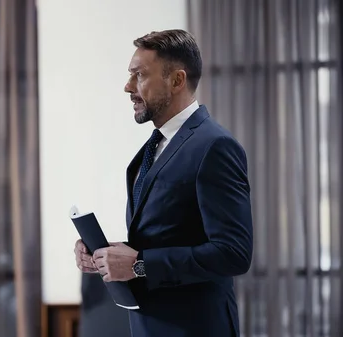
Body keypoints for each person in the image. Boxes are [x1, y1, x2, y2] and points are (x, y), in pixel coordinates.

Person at [73, 29, 253, 337]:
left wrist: (139, 264)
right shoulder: (151, 149)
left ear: (177, 80)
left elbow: (233, 253)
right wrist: (106, 253)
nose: (128, 87)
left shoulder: (215, 146)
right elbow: (163, 237)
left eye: (139, 75)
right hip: (148, 326)